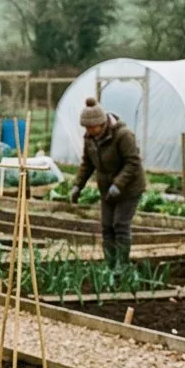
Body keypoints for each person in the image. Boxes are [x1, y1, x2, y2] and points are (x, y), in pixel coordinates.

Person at [68, 97, 145, 267]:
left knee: (120, 224)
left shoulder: (123, 135)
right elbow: (87, 163)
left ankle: (122, 265)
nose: (88, 130)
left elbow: (133, 162)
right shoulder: (90, 138)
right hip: (107, 189)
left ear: (102, 123)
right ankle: (109, 264)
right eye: (86, 127)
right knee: (107, 226)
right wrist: (77, 185)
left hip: (129, 188)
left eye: (91, 127)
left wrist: (118, 184)